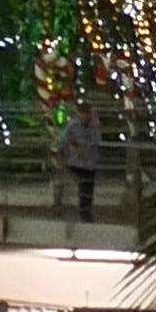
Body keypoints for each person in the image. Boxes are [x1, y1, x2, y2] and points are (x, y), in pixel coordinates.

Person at [61, 96, 104, 224]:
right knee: (82, 186)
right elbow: (66, 138)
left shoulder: (94, 127)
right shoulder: (72, 126)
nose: (84, 116)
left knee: (87, 189)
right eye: (82, 113)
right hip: (75, 163)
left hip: (89, 164)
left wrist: (85, 148)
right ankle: (78, 212)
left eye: (87, 113)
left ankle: (85, 213)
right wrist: (76, 147)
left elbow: (96, 141)